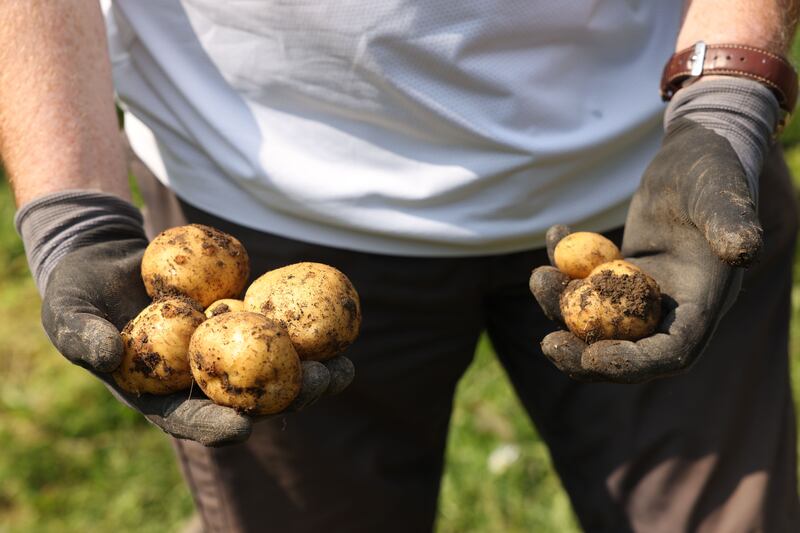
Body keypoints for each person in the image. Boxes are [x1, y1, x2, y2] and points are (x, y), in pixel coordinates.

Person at [3, 1, 799, 531]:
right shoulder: (232, 307)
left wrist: (727, 94)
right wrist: (75, 209)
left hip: (658, 183)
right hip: (257, 208)